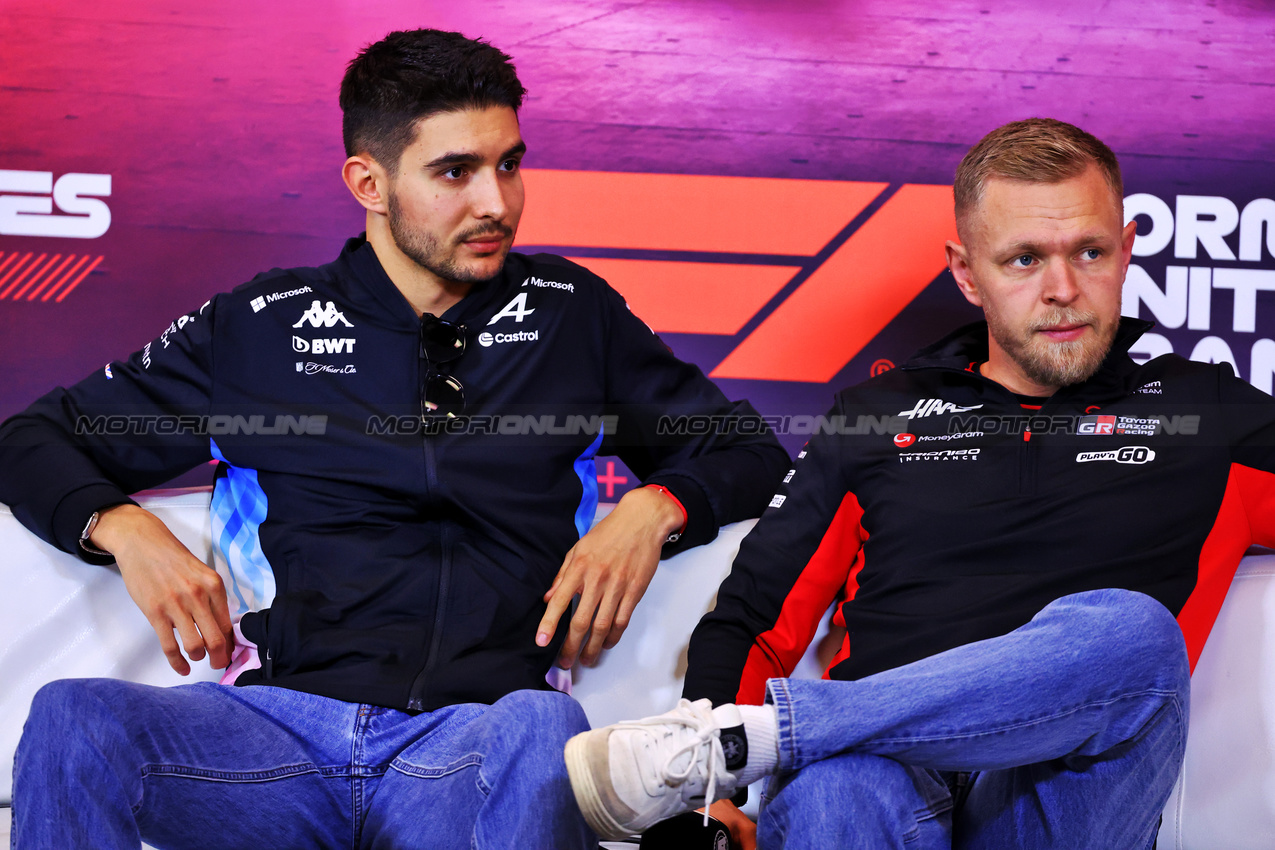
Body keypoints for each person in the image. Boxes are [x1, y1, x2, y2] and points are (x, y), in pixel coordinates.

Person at [0, 29, 789, 848]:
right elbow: (32, 440)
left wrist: (654, 506)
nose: (497, 203)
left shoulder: (570, 313)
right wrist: (123, 529)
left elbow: (745, 448)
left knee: (539, 725)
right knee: (75, 717)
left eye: (509, 164)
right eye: (456, 172)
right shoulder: (260, 326)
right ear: (367, 182)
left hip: (470, 745)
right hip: (275, 739)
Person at [565, 117, 1275, 848]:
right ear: (966, 271)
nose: (1062, 289)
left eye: (1089, 253)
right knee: (835, 789)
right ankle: (764, 744)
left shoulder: (1208, 413)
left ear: (1125, 251)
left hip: (1063, 795)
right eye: (1024, 260)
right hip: (885, 780)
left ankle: (776, 734)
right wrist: (709, 799)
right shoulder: (878, 415)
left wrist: (763, 737)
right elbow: (752, 618)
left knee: (1135, 632)